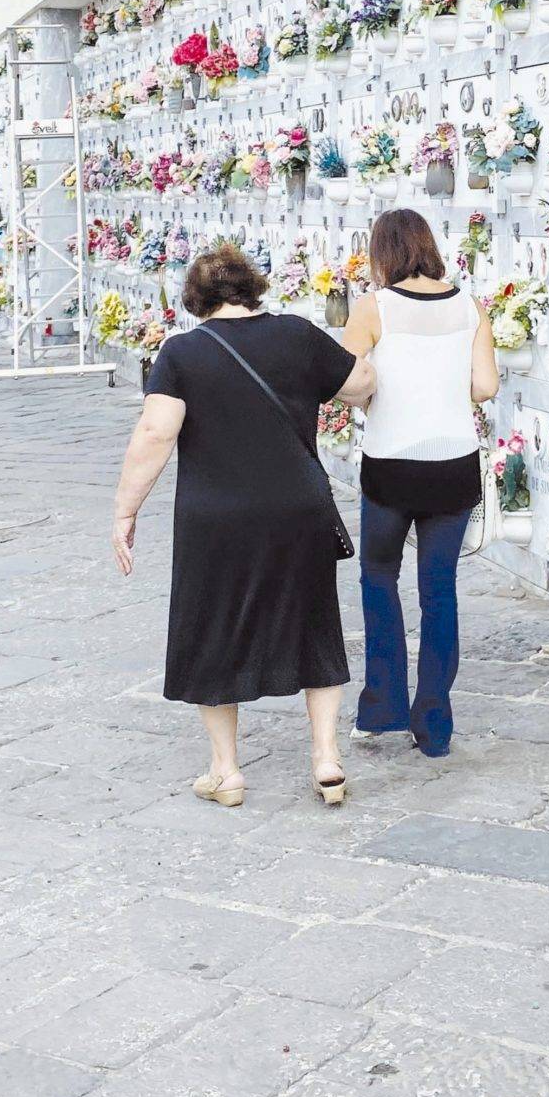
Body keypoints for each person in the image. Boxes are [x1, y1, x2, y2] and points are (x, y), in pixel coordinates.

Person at [110, 244, 375, 808]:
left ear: (196, 298)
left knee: (212, 627)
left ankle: (226, 772)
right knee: (315, 623)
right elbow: (360, 384)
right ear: (253, 287)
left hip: (217, 517)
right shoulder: (297, 335)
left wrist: (126, 510)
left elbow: (156, 433)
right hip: (298, 507)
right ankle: (327, 760)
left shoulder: (182, 352)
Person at [337, 210, 500, 757]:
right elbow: (485, 386)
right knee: (439, 589)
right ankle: (434, 727)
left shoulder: (373, 307)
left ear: (383, 252)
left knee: (379, 578)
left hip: (392, 465)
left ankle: (382, 709)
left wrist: (376, 395)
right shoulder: (470, 306)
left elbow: (347, 381)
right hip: (454, 464)